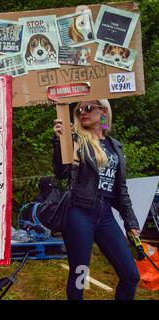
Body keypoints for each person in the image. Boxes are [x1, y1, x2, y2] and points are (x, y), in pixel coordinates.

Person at [53, 99, 140, 300]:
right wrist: (59, 141)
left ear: (103, 110)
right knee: (80, 272)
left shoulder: (114, 145)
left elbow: (121, 190)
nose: (83, 111)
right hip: (79, 212)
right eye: (80, 109)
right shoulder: (76, 139)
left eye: (89, 108)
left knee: (131, 274)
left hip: (106, 215)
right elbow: (62, 172)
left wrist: (131, 222)